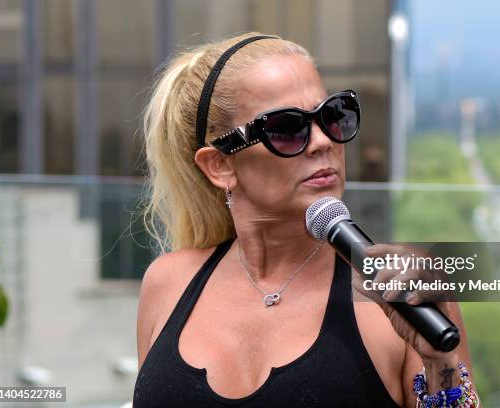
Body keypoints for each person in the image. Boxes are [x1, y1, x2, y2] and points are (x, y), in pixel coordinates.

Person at [133, 32, 478, 407]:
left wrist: (440, 361)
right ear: (220, 165)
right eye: (286, 128)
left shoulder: (400, 292)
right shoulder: (168, 284)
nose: (322, 141)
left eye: (333, 116)